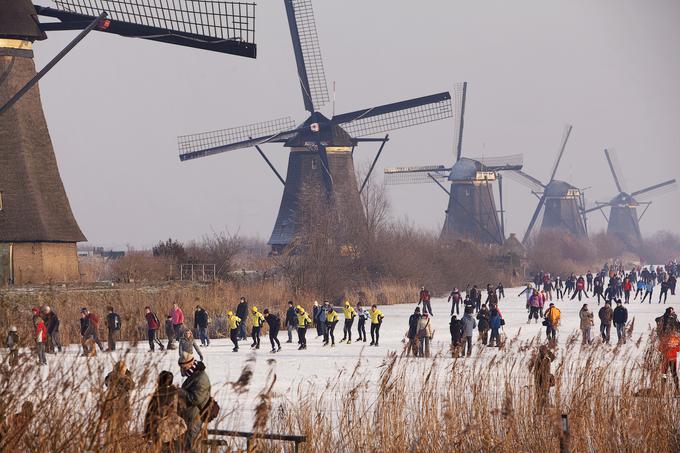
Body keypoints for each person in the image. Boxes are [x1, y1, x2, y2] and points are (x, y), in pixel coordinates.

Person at [143, 370, 186, 450]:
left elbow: (150, 414)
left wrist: (146, 433)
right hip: (174, 432)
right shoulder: (177, 394)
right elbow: (182, 411)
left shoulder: (158, 395)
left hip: (159, 432)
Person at [178, 352, 211, 452]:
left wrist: (181, 392)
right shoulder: (193, 375)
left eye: (183, 368)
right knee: (186, 445)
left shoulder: (201, 378)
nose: (182, 371)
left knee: (192, 446)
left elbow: (196, 399)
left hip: (195, 418)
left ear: (191, 364)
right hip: (188, 416)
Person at [102, 361, 136, 437]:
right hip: (118, 403)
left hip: (118, 403)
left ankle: (114, 437)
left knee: (116, 423)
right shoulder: (116, 377)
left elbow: (131, 386)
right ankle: (113, 437)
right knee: (115, 423)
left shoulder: (113, 376)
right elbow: (132, 386)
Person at [530, 345, 556, 411]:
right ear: (541, 351)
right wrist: (540, 383)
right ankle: (539, 412)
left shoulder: (546, 359)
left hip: (545, 382)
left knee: (545, 397)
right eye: (544, 350)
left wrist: (548, 351)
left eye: (546, 350)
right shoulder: (539, 360)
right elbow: (538, 374)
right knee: (540, 398)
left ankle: (545, 411)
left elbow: (553, 358)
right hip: (540, 382)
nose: (546, 351)